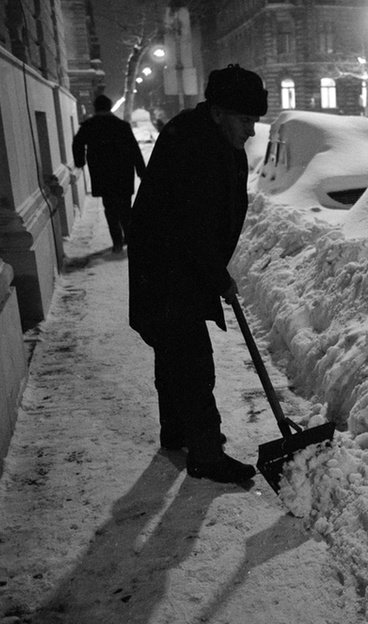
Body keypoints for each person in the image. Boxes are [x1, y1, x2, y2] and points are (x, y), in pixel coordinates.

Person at [128, 64, 267, 484]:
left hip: (172, 269)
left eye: (254, 121)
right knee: (192, 362)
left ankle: (176, 432)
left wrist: (213, 272)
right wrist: (218, 278)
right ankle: (206, 454)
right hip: (168, 270)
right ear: (219, 111)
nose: (251, 131)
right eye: (246, 120)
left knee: (174, 353)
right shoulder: (193, 146)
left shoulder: (208, 138)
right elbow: (191, 227)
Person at [72, 94, 146, 253]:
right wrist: (141, 170)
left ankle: (117, 241)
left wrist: (80, 162)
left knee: (110, 208)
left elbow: (77, 143)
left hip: (102, 174)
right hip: (123, 173)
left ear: (95, 108)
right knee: (126, 208)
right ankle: (130, 238)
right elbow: (134, 149)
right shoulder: (122, 126)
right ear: (110, 106)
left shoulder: (89, 126)